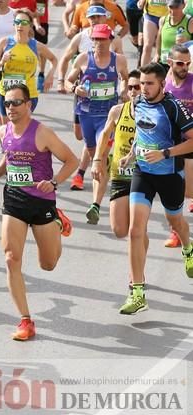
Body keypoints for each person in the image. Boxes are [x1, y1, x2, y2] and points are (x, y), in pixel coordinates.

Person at [0, 84, 78, 341]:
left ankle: (57, 223)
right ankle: (25, 320)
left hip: (42, 203)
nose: (10, 108)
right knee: (11, 258)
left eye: (15, 103)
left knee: (48, 264)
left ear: (29, 105)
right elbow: (9, 157)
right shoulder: (3, 131)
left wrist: (55, 182)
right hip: (14, 199)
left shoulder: (43, 133)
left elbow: (72, 160)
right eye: (6, 103)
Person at [117, 62, 193, 315]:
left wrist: (165, 153)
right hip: (143, 172)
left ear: (162, 83)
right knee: (135, 229)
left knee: (176, 221)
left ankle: (188, 247)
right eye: (141, 84)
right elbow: (141, 131)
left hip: (170, 173)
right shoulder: (137, 103)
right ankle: (137, 291)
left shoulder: (173, 107)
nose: (144, 88)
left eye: (150, 84)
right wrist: (130, 154)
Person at [65, 24, 129, 225]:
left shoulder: (119, 60)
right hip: (86, 115)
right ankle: (105, 173)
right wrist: (75, 88)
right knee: (95, 156)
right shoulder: (84, 58)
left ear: (110, 39)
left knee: (99, 158)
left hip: (107, 117)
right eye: (96, 39)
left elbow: (127, 79)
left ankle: (95, 204)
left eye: (103, 39)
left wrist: (124, 91)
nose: (99, 43)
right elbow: (68, 81)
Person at [57, 6, 124, 192]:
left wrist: (125, 90)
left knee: (98, 145)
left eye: (97, 17)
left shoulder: (116, 43)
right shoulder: (81, 40)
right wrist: (66, 84)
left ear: (105, 18)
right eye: (90, 17)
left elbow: (123, 73)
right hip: (84, 102)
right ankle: (100, 160)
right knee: (81, 137)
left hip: (107, 108)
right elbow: (65, 60)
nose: (94, 19)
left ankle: (83, 173)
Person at [91, 70, 143, 239]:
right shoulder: (117, 111)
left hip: (143, 176)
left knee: (137, 230)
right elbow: (105, 136)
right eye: (130, 87)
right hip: (120, 174)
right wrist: (97, 159)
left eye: (137, 87)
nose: (134, 91)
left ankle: (137, 262)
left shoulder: (154, 113)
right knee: (119, 230)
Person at [0, 8, 58, 123]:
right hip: (6, 93)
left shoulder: (36, 45)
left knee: (21, 127)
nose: (20, 26)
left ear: (30, 26)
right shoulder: (5, 42)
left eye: (24, 23)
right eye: (17, 22)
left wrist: (50, 75)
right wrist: (1, 62)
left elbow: (54, 59)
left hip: (28, 95)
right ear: (14, 24)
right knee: (6, 130)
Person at [163, 44, 193, 246]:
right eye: (180, 63)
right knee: (174, 189)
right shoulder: (165, 84)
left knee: (189, 190)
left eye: (188, 63)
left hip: (191, 143)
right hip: (172, 143)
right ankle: (176, 232)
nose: (185, 67)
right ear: (170, 63)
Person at [7, 0, 49, 91]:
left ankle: (41, 74)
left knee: (41, 51)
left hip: (40, 22)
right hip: (17, 23)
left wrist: (35, 23)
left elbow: (40, 12)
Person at [155, 0, 193, 69]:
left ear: (183, 5)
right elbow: (159, 38)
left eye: (176, 7)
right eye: (171, 7)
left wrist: (187, 42)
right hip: (164, 62)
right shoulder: (163, 20)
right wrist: (157, 54)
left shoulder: (190, 22)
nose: (173, 10)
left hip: (181, 65)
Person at [139, 0, 170, 65]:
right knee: (147, 46)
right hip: (150, 15)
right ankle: (143, 73)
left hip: (167, 16)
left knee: (165, 46)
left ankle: (164, 70)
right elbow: (140, 4)